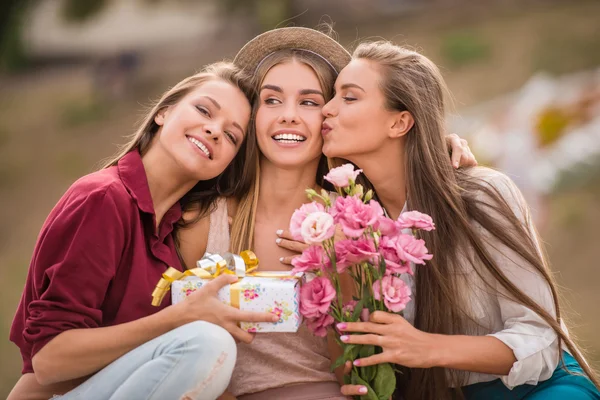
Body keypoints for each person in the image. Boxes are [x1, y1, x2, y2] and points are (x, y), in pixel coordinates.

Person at [176, 27, 476, 400]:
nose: (288, 116)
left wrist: (337, 270)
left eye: (308, 102)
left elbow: (357, 369)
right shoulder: (204, 220)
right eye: (271, 101)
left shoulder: (358, 223)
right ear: (252, 116)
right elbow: (177, 346)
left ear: (330, 115)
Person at [316, 41, 600, 399]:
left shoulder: (482, 195)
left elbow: (540, 337)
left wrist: (426, 347)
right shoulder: (346, 226)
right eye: (330, 97)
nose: (326, 109)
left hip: (534, 390)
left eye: (349, 97)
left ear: (400, 121)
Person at [8, 62, 279, 400]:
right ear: (163, 113)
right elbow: (48, 360)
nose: (213, 131)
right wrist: (178, 317)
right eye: (203, 110)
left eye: (231, 136)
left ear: (227, 163)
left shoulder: (170, 234)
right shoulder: (104, 199)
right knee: (208, 342)